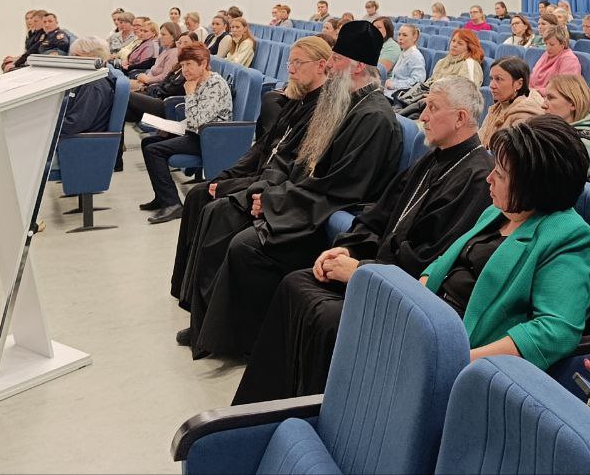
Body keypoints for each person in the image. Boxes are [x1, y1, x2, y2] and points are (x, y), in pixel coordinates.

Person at [231, 77, 494, 404]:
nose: (423, 116)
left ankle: (313, 409)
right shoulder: (433, 158)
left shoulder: (477, 177)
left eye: (432, 108)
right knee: (295, 283)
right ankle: (264, 407)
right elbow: (380, 214)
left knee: (328, 319)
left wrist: (361, 270)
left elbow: (430, 258)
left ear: (460, 118)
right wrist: (348, 247)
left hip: (404, 289)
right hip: (376, 267)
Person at [177, 21, 402, 359]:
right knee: (224, 218)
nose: (330, 66)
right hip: (308, 201)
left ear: (357, 67)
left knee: (245, 245)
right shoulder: (345, 102)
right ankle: (211, 326)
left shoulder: (374, 118)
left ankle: (239, 341)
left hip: (331, 215)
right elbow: (303, 163)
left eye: (336, 59)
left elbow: (343, 187)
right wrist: (270, 194)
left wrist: (274, 201)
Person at [421, 116, 590, 370]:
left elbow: (553, 332)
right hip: (430, 328)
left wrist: (458, 360)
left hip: (467, 358)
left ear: (533, 187)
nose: (489, 178)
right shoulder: (499, 212)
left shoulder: (569, 237)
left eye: (501, 174)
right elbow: (443, 265)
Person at [170, 37, 332, 306]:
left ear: (321, 65)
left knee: (216, 211)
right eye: (289, 63)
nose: (290, 70)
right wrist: (228, 175)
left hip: (271, 186)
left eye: (297, 63)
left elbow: (289, 168)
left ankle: (206, 307)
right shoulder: (295, 101)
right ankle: (186, 292)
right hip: (261, 175)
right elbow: (261, 149)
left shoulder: (322, 110)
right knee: (198, 194)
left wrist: (239, 186)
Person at [139, 43, 233, 222]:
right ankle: (162, 197)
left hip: (211, 139)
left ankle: (173, 204)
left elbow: (198, 121)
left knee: (154, 150)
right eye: (182, 65)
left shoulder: (214, 84)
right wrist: (171, 127)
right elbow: (195, 119)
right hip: (197, 133)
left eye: (189, 64)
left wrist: (189, 94)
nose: (184, 70)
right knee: (148, 142)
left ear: (203, 64)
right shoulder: (197, 81)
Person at [541, 74, 590, 186]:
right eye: (544, 98)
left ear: (573, 104)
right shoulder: (556, 130)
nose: (543, 105)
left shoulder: (585, 146)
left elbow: (555, 184)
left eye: (551, 98)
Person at [480, 56, 545, 149]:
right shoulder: (499, 107)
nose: (491, 85)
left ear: (519, 84)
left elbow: (510, 154)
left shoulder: (525, 116)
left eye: (498, 79)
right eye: (491, 79)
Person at [131, 21, 181, 90]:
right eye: (160, 34)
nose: (160, 37)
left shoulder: (173, 53)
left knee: (123, 85)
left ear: (173, 37)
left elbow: (165, 76)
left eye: (163, 34)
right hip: (148, 80)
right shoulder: (166, 50)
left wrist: (147, 80)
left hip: (153, 86)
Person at [529, 26, 582, 93]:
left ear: (563, 44)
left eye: (552, 44)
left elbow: (564, 89)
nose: (547, 48)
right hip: (534, 93)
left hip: (552, 97)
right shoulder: (546, 55)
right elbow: (532, 77)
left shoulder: (570, 60)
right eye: (546, 44)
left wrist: (536, 91)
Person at [383, 23, 426, 98]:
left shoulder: (415, 56)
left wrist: (394, 84)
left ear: (414, 38)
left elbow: (418, 81)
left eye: (404, 35)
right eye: (399, 34)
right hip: (390, 92)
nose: (400, 38)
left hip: (399, 96)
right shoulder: (404, 52)